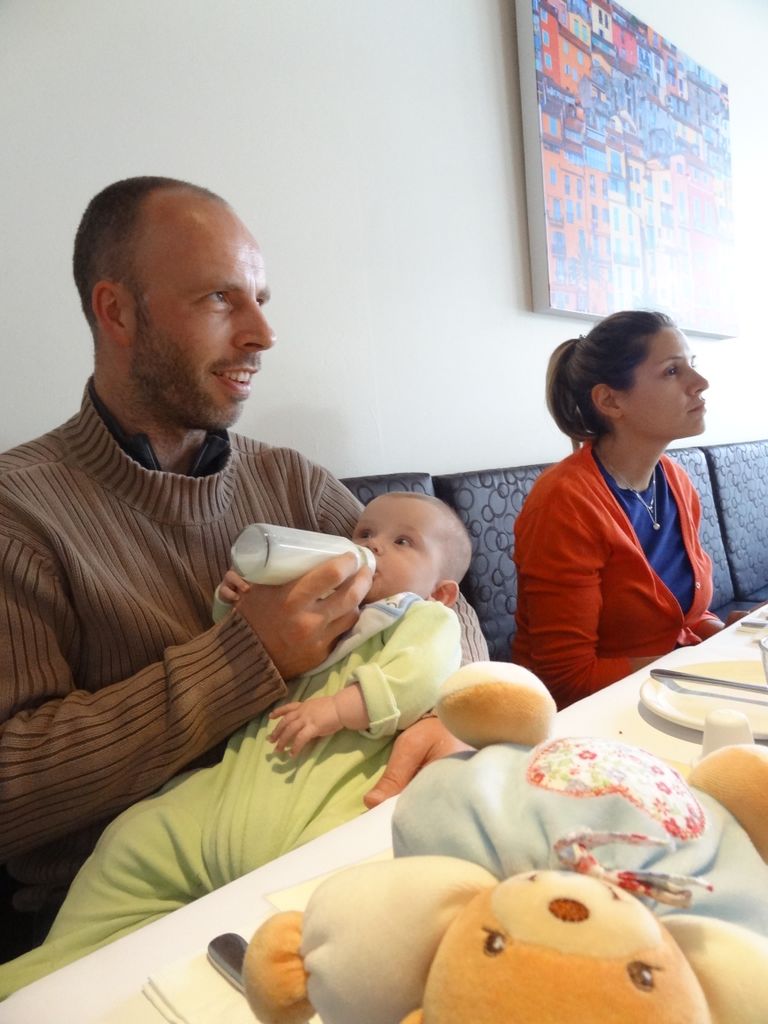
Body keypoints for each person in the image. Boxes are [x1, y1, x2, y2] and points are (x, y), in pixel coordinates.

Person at [0, 176, 487, 957]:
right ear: (116, 311)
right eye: (221, 299)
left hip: (333, 847)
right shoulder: (18, 513)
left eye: (260, 298)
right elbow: (13, 785)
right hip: (132, 918)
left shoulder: (289, 479)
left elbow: (438, 604)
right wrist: (246, 656)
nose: (263, 333)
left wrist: (441, 712)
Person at [0, 491, 470, 993]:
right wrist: (234, 607)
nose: (372, 546)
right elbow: (246, 640)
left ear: (442, 594)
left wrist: (448, 709)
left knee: (350, 896)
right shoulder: (20, 515)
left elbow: (422, 670)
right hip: (228, 786)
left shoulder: (422, 615)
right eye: (365, 534)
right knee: (132, 838)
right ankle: (31, 985)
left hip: (324, 798)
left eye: (402, 542)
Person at [512, 310, 727, 709]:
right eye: (672, 371)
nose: (701, 382)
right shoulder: (565, 501)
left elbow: (684, 620)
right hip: (587, 718)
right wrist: (695, 666)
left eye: (692, 365)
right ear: (610, 400)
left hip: (665, 696)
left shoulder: (675, 481)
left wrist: (731, 636)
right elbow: (566, 680)